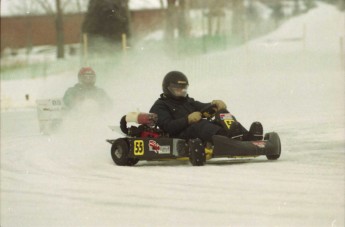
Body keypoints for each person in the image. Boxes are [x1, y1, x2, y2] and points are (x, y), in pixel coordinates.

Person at [149, 71, 263, 144]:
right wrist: (187, 120)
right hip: (179, 136)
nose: (181, 91)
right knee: (200, 125)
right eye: (177, 88)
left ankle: (246, 136)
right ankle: (231, 138)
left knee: (221, 114)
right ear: (167, 88)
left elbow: (203, 107)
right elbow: (168, 127)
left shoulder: (188, 101)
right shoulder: (160, 106)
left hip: (197, 130)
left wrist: (215, 105)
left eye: (183, 88)